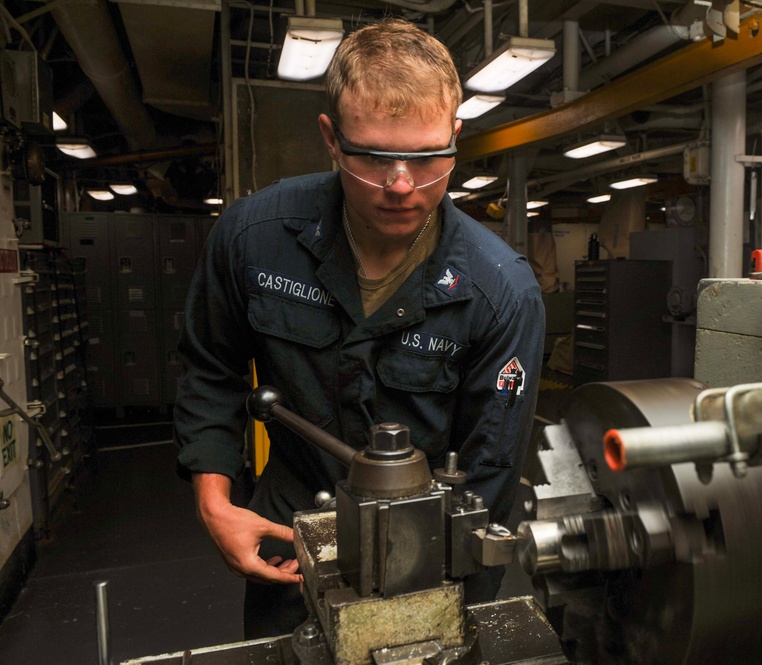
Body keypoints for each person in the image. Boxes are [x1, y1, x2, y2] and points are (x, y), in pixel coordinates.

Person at [174, 18, 545, 639]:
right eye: (373, 156)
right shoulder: (253, 240)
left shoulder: (500, 293)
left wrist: (442, 622)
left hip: (430, 556)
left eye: (428, 158)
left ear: (456, 137)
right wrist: (215, 503)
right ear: (331, 139)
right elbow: (210, 370)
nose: (401, 184)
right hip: (290, 540)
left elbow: (488, 479)